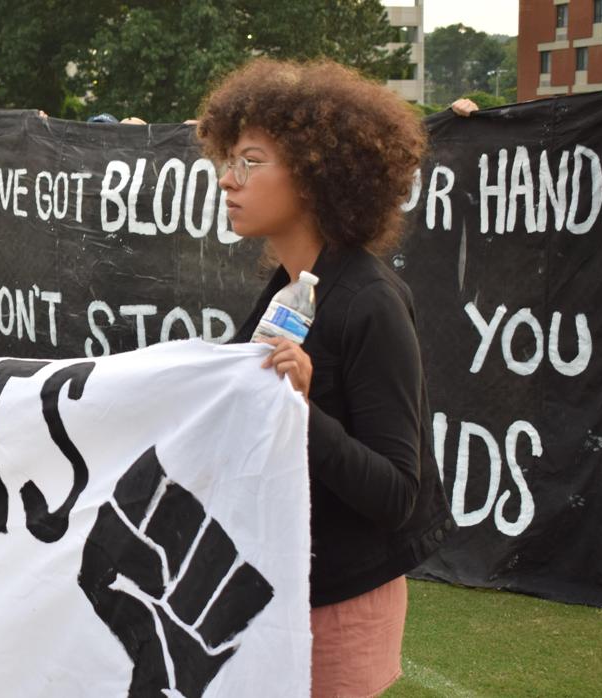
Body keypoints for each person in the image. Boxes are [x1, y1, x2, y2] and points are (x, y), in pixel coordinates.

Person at [197, 59, 453, 698]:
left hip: (342, 598)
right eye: (226, 160)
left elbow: (398, 493)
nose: (229, 180)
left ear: (315, 176)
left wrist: (301, 411)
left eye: (251, 161)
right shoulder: (285, 290)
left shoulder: (370, 302)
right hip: (282, 582)